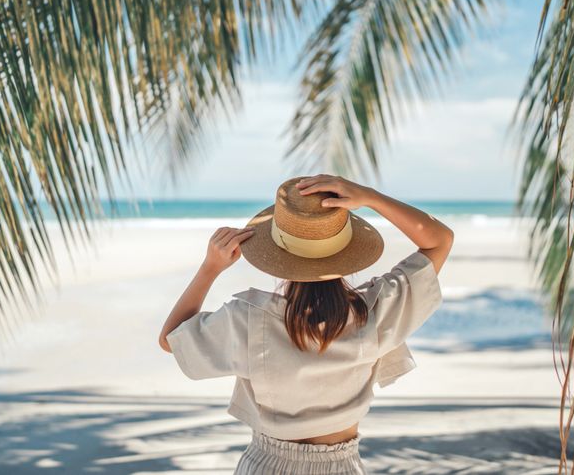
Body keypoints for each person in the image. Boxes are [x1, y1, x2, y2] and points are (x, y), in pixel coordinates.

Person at [159, 175, 453, 474]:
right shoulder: (375, 311)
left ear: (277, 253)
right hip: (342, 466)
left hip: (266, 464)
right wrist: (370, 197)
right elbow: (439, 240)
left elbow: (171, 340)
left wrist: (210, 268)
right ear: (347, 247)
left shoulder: (247, 317)